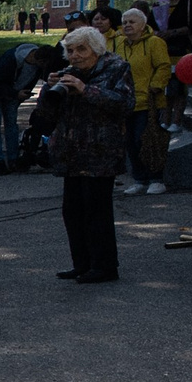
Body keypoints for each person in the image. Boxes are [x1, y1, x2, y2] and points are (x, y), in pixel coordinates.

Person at [44, 27, 136, 282]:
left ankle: (105, 266)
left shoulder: (117, 68)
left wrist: (86, 89)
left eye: (81, 49)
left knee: (97, 211)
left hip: (101, 152)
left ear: (96, 49)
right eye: (70, 51)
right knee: (72, 210)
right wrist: (49, 89)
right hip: (71, 153)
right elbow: (46, 113)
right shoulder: (68, 73)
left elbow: (125, 104)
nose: (75, 56)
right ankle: (82, 264)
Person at [109, 9, 171, 195]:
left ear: (143, 25)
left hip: (148, 102)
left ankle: (156, 178)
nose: (127, 25)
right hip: (125, 102)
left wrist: (156, 85)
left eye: (132, 22)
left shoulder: (155, 43)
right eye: (125, 22)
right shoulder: (119, 45)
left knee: (146, 141)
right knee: (130, 143)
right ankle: (139, 179)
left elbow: (163, 66)